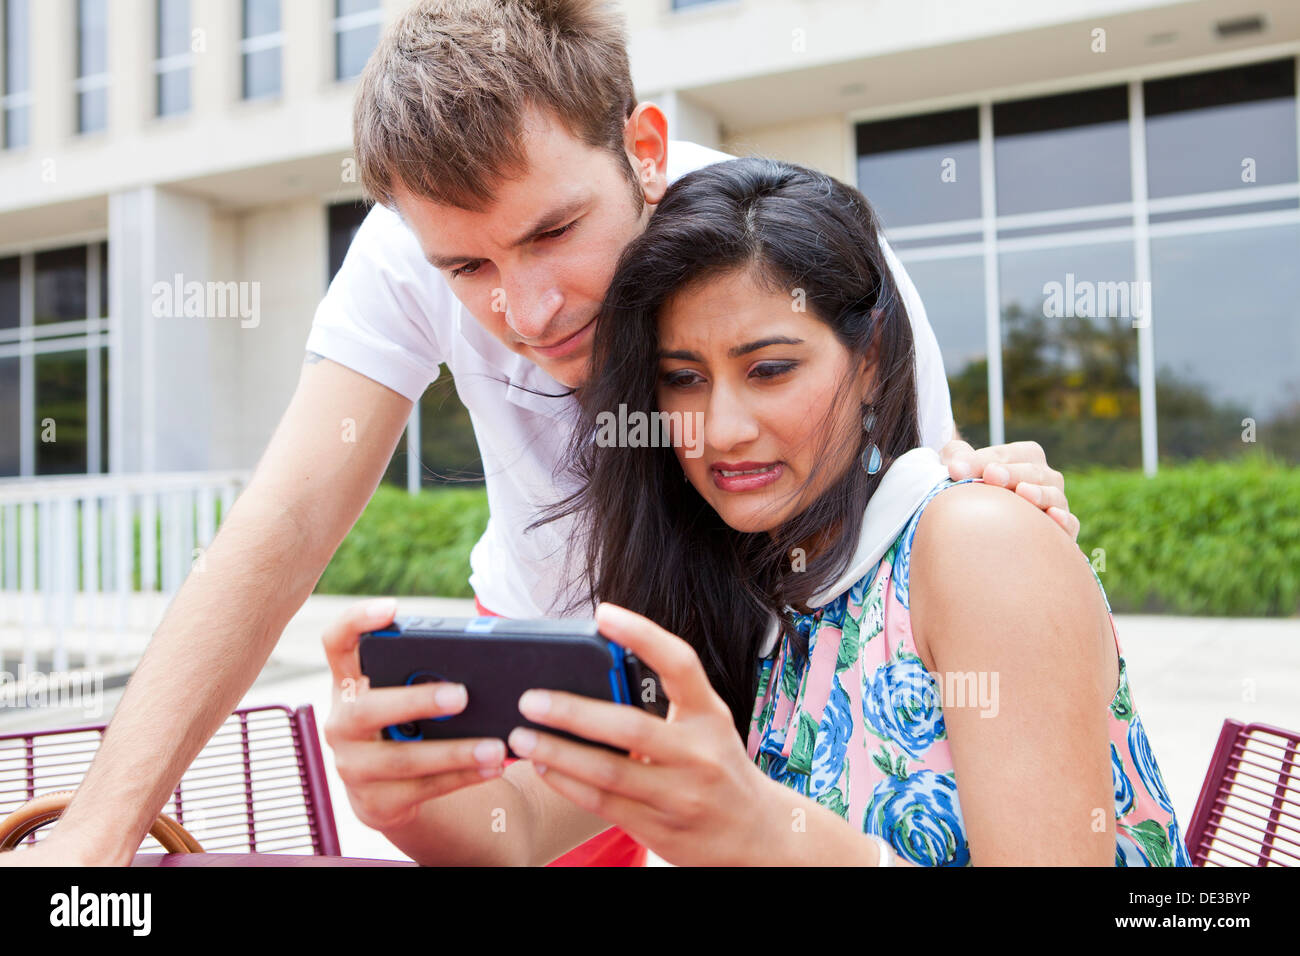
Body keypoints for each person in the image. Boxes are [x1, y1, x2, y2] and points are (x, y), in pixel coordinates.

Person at [5, 0, 1074, 867]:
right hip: (563, 646)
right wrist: (95, 839)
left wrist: (992, 510)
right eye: (467, 267)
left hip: (746, 659)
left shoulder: (782, 261)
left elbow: (909, 559)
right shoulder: (406, 245)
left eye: (555, 231)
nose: (527, 310)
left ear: (643, 151)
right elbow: (283, 519)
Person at [478, 156, 1188, 866]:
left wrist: (763, 834)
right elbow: (522, 822)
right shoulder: (759, 588)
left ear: (870, 356)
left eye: (770, 370)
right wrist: (411, 747)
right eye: (684, 379)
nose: (722, 429)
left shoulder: (976, 545)